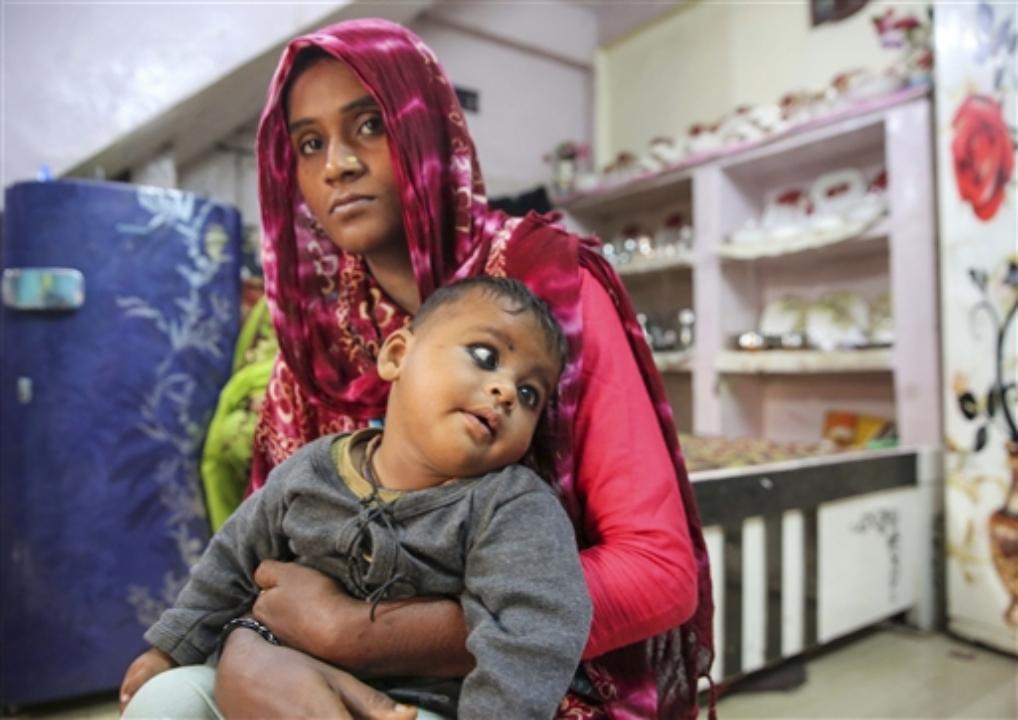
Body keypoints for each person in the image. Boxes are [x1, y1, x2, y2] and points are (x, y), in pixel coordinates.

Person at [122, 17, 714, 720]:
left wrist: (366, 633)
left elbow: (657, 572)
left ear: (424, 127)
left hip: (522, 680)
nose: (337, 164)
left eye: (370, 125)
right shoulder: (311, 348)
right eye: (310, 144)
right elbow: (264, 556)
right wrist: (257, 650)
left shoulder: (545, 295)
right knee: (166, 702)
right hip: (316, 666)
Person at [121, 277, 592, 719]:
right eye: (486, 356)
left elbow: (537, 630)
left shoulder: (511, 507)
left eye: (530, 393)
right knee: (167, 698)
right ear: (398, 355)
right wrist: (170, 648)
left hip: (410, 707)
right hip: (276, 682)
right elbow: (232, 560)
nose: (506, 391)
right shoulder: (311, 469)